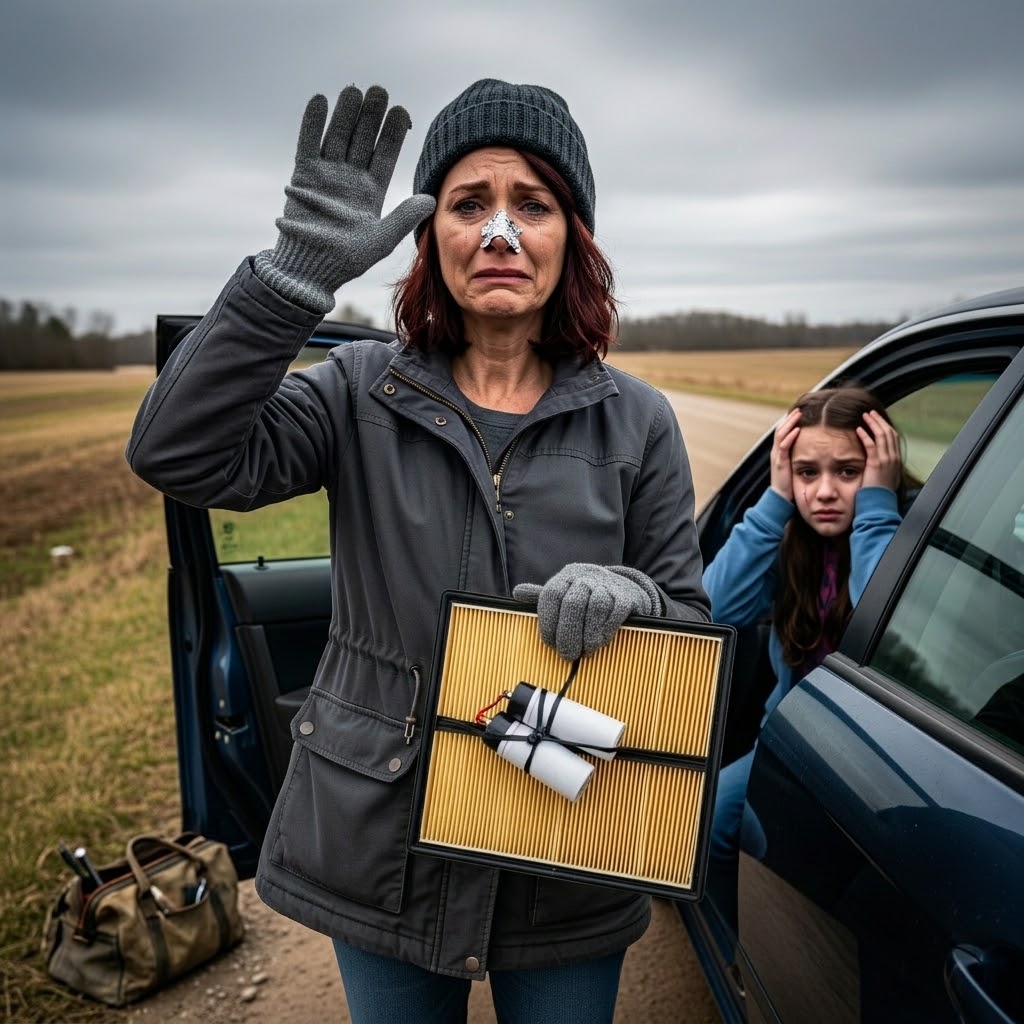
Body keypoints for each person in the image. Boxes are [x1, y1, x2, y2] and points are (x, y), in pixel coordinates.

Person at [126, 79, 710, 1024]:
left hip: (567, 845)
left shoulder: (637, 420)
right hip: (380, 842)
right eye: (469, 204)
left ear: (574, 238)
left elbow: (685, 613)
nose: (500, 233)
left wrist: (632, 597)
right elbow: (176, 453)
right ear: (427, 237)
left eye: (533, 205)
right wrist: (292, 276)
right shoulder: (356, 389)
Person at [702, 386, 909, 941]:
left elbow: (886, 626)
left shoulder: (901, 534)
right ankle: (732, 952)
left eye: (849, 472)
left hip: (877, 754)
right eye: (806, 472)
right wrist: (774, 501)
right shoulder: (791, 539)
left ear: (883, 469)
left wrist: (876, 509)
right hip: (795, 738)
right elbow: (713, 609)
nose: (824, 492)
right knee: (709, 824)